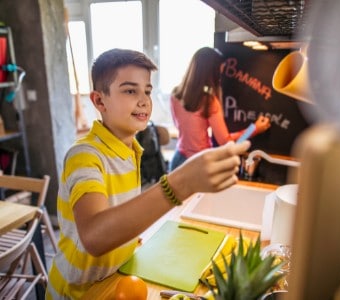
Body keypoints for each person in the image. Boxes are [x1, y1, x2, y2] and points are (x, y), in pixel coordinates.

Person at [45, 48, 250, 299]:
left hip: (115, 278)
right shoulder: (85, 155)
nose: (144, 100)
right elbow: (94, 236)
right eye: (130, 90)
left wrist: (129, 241)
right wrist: (178, 184)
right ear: (99, 101)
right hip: (77, 292)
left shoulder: (131, 149)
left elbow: (119, 212)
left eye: (147, 91)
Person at [169, 47, 270, 171]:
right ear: (212, 73)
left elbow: (178, 125)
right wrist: (254, 129)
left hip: (177, 161)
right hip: (199, 164)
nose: (220, 78)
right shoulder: (209, 102)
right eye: (219, 73)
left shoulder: (175, 95)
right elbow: (225, 142)